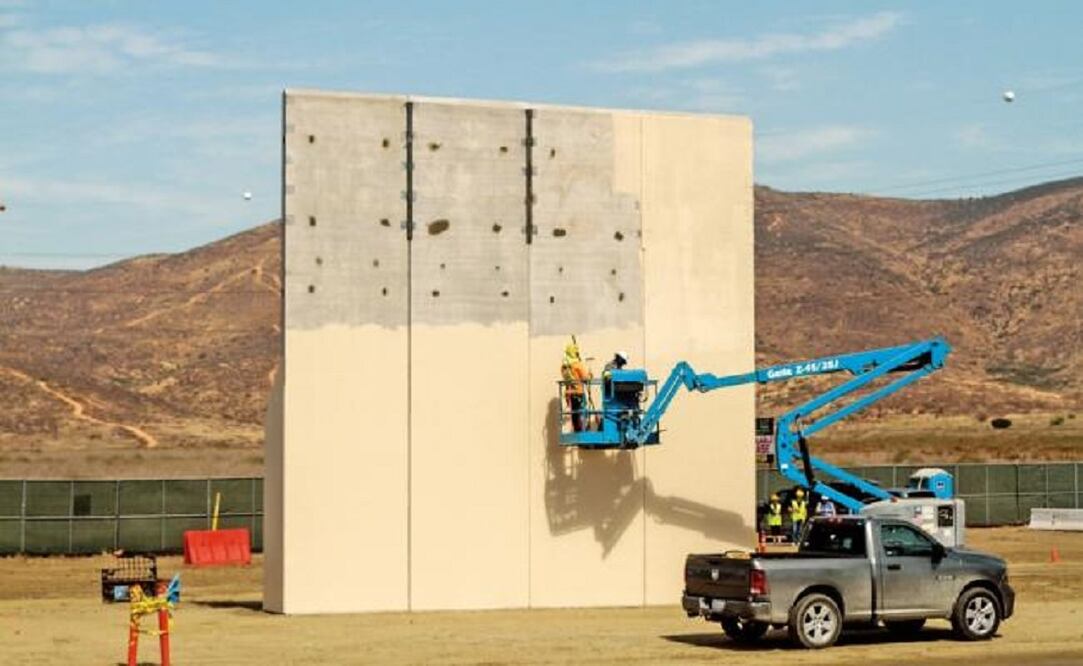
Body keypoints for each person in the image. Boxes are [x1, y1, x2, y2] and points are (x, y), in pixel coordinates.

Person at [561, 342, 593, 432]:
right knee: (581, 413)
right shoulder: (577, 365)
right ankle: (583, 432)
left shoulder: (564, 366)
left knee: (574, 414)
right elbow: (585, 378)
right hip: (578, 392)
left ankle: (577, 431)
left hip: (569, 393)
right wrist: (590, 374)